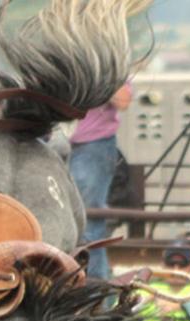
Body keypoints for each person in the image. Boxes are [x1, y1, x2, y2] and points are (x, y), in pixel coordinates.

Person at [67, 83, 131, 281]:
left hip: (91, 143)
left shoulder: (103, 60)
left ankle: (94, 289)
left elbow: (123, 99)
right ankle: (91, 289)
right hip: (61, 140)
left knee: (88, 223)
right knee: (76, 221)